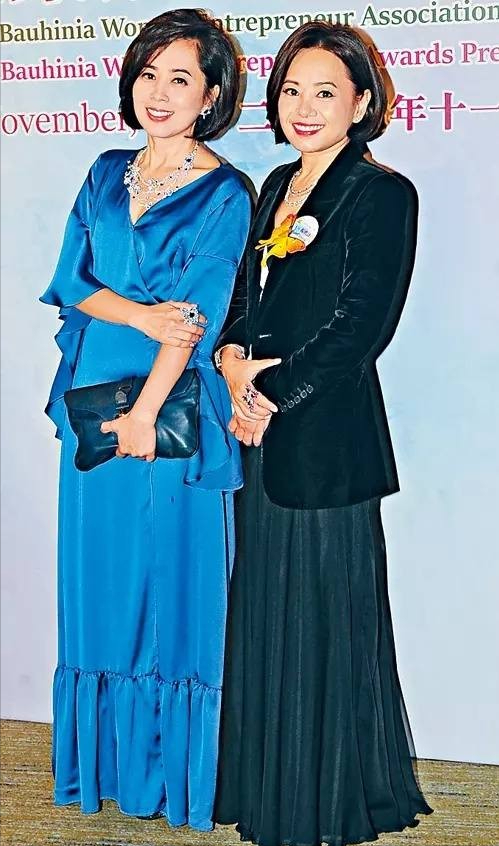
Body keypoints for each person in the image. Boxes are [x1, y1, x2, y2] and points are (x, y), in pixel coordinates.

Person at [214, 22, 433, 846]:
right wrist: (231, 361)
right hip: (258, 436)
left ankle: (329, 798)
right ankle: (270, 787)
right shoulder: (275, 184)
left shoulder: (380, 193)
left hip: (325, 440)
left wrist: (269, 394)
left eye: (325, 92)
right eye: (291, 91)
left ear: (362, 103)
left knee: (324, 625)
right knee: (267, 615)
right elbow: (247, 301)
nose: (303, 108)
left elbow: (359, 328)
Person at [40, 9, 250, 830]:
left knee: (166, 583)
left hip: (169, 411)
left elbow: (194, 316)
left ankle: (167, 778)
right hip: (94, 401)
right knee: (100, 582)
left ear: (210, 95)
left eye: (180, 78)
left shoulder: (224, 193)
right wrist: (136, 314)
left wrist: (147, 412)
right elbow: (71, 282)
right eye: (149, 75)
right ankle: (104, 770)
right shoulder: (104, 171)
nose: (159, 93)